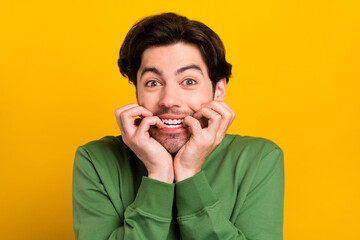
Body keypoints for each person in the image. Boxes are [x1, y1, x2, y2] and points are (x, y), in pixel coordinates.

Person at [72, 12, 284, 240]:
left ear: (219, 90)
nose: (169, 100)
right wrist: (159, 174)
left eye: (189, 81)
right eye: (153, 83)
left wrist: (189, 174)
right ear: (137, 93)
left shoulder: (259, 158)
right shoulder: (96, 159)